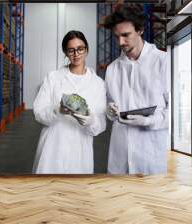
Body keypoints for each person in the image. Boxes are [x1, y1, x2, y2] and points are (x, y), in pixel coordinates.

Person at [103, 8, 170, 175]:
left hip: (152, 155)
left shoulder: (164, 62)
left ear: (140, 30)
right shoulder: (112, 69)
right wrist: (109, 110)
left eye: (126, 35)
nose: (120, 42)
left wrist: (148, 121)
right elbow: (110, 111)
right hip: (120, 156)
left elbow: (177, 113)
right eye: (117, 36)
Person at [32, 30, 106, 174]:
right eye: (71, 50)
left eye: (80, 49)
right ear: (65, 52)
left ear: (86, 49)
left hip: (81, 150)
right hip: (52, 147)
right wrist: (56, 110)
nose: (76, 54)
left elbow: (101, 123)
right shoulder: (53, 78)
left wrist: (92, 121)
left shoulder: (98, 83)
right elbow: (38, 112)